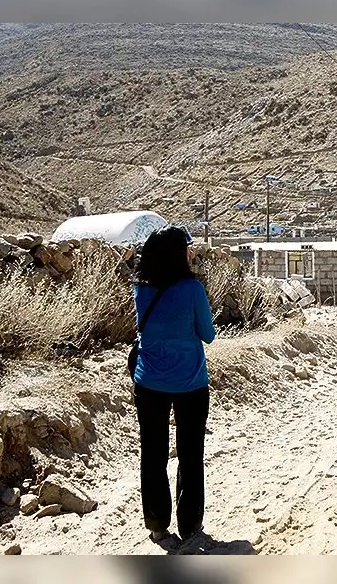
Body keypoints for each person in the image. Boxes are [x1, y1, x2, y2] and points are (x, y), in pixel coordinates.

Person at [132, 225, 216, 543]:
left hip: (149, 383)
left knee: (153, 452)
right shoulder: (192, 289)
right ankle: (190, 523)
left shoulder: (140, 287)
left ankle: (156, 522)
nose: (191, 253)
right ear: (176, 254)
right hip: (190, 383)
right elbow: (208, 334)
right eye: (186, 248)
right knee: (190, 453)